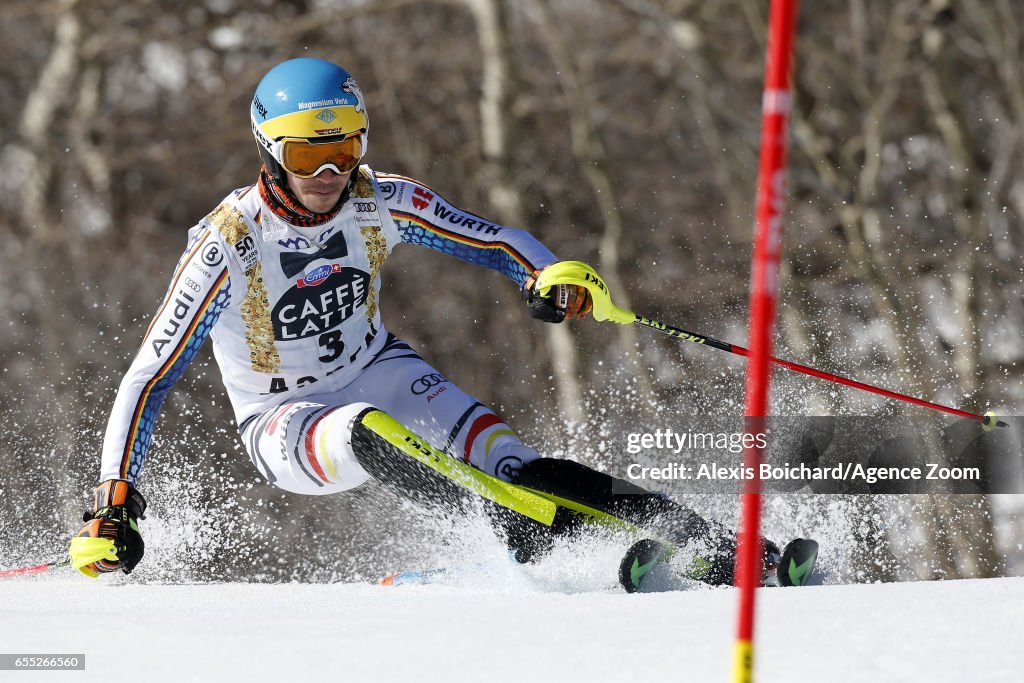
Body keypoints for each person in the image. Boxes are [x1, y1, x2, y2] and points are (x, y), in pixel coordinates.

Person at [70, 58, 776, 587]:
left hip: (379, 368)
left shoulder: (381, 199)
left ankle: (718, 546)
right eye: (306, 153)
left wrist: (547, 274)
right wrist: (115, 502)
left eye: (345, 148)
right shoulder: (230, 242)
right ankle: (534, 540)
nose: (329, 171)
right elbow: (148, 377)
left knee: (513, 462)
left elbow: (492, 238)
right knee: (363, 431)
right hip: (283, 416)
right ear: (268, 151)